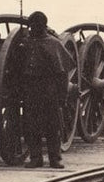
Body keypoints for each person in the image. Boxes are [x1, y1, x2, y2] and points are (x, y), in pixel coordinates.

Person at [19, 11, 72, 169]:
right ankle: (36, 158)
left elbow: (63, 73)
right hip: (30, 88)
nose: (32, 29)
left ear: (43, 26)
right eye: (31, 26)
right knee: (31, 125)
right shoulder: (25, 43)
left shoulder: (54, 43)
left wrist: (62, 96)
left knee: (52, 126)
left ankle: (55, 159)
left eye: (36, 26)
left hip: (49, 89)